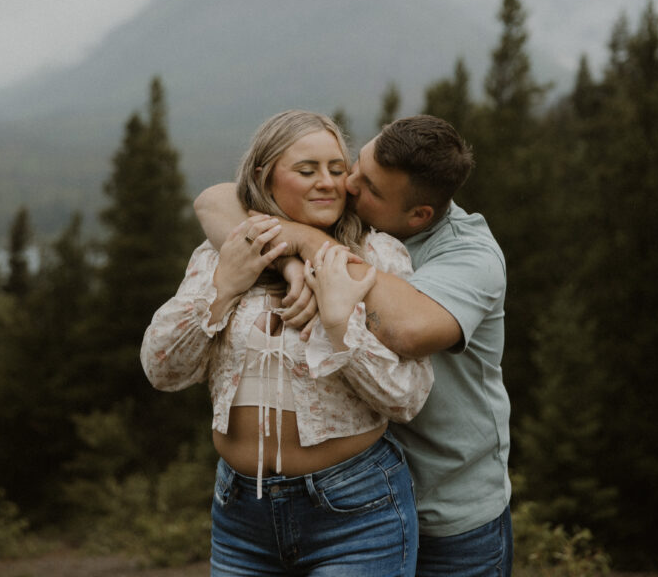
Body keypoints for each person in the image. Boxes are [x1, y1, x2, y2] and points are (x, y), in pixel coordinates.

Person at [195, 114, 513, 577]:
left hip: (447, 513)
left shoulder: (469, 256)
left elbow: (407, 330)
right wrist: (289, 263)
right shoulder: (347, 213)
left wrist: (304, 241)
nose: (346, 186)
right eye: (355, 166)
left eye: (370, 188)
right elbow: (216, 200)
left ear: (418, 214)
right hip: (341, 491)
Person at [141, 110, 433, 577]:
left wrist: (340, 326)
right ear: (264, 176)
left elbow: (408, 397)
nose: (327, 183)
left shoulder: (374, 256)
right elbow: (162, 370)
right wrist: (226, 286)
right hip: (240, 515)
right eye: (306, 169)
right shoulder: (222, 252)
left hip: (357, 511)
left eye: (337, 170)